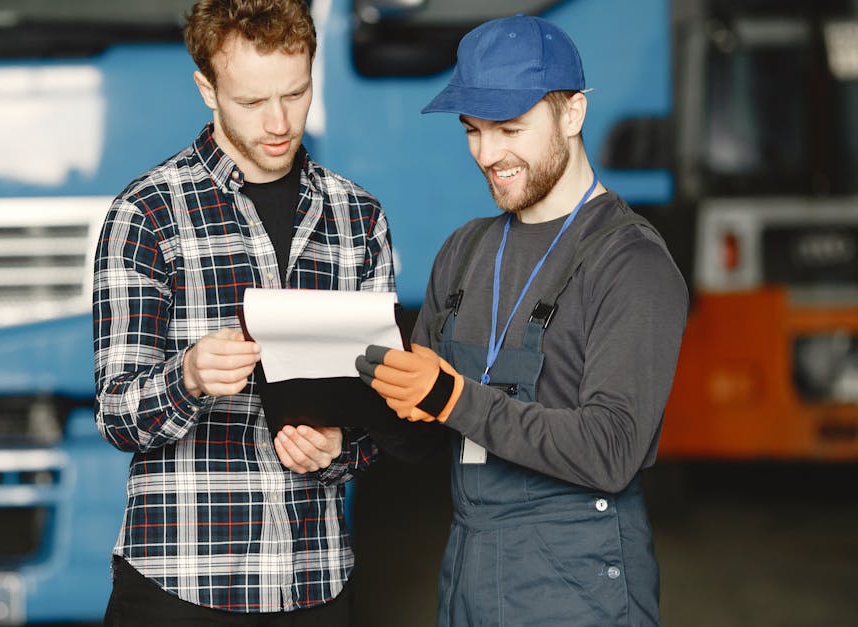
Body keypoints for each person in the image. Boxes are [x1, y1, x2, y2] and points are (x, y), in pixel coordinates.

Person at [355, 14, 688, 626]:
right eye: (473, 131)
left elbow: (610, 451)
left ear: (573, 114)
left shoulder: (630, 263)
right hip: (470, 577)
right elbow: (425, 433)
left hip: (579, 589)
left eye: (510, 128)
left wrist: (452, 396)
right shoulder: (464, 251)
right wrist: (346, 416)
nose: (488, 154)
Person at [92, 0, 395, 624]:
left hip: (316, 582)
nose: (279, 122)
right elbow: (116, 415)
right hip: (179, 585)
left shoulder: (358, 218)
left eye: (296, 93)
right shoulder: (146, 214)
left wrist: (340, 447)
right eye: (252, 103)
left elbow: (387, 408)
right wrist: (190, 377)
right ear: (207, 88)